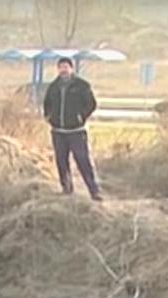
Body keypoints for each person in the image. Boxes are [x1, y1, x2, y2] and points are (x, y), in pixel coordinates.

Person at [42, 57, 102, 201]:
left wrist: (81, 117)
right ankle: (67, 189)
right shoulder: (53, 87)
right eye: (61, 67)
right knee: (61, 161)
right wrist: (50, 119)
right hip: (58, 132)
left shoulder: (82, 86)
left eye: (66, 67)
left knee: (83, 160)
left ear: (71, 68)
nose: (63, 70)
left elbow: (91, 104)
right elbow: (47, 105)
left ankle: (94, 191)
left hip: (77, 131)